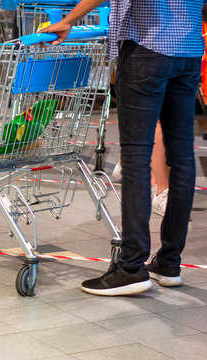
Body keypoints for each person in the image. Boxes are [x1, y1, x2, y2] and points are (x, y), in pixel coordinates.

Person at [40, 0, 205, 295]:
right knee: (182, 156)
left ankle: (131, 267)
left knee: (136, 156)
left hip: (147, 49)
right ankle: (169, 262)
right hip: (189, 52)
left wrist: (70, 20)